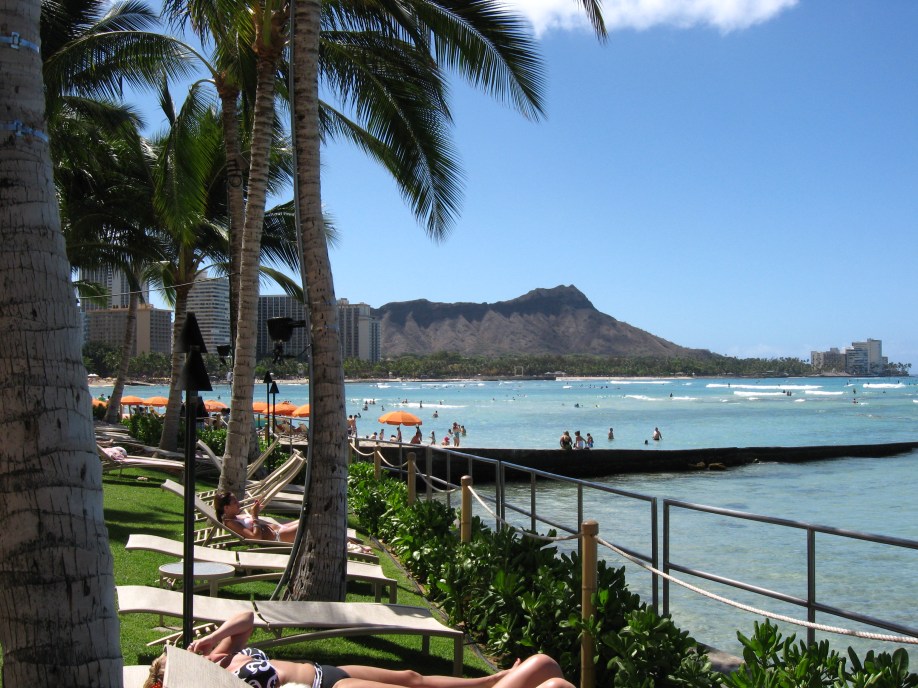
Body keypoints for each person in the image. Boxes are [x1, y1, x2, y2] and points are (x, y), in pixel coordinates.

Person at [143, 611, 574, 688]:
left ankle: (493, 679)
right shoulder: (211, 683)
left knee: (411, 678)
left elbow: (246, 619)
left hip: (323, 670)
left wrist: (210, 638)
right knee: (549, 673)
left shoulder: (225, 653)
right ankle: (516, 678)